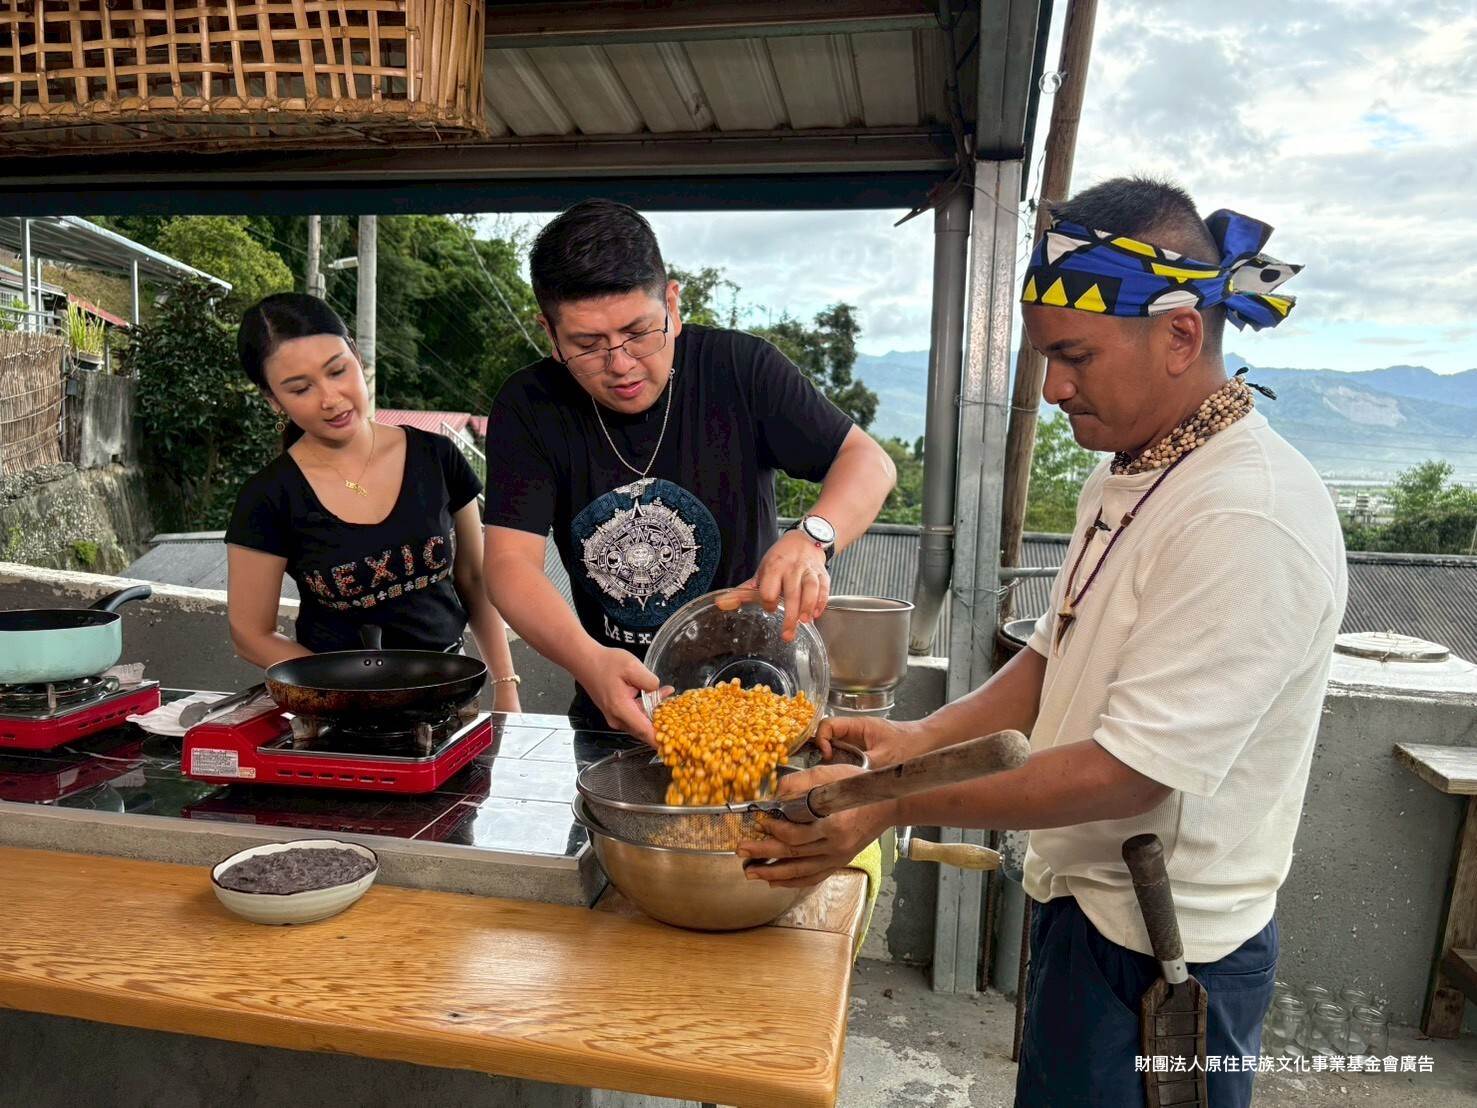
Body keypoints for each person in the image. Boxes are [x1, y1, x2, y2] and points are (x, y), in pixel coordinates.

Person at [739, 177, 1347, 1107]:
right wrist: (917, 743)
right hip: (1081, 903)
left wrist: (888, 807)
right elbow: (1054, 655)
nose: (1053, 385)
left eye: (1075, 354)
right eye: (1045, 356)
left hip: (1165, 953)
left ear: (1181, 334)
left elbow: (1127, 772)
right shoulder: (1134, 471)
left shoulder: (1244, 514)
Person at [482, 200, 896, 739]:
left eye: (639, 332)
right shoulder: (529, 407)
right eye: (588, 345)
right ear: (550, 333)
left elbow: (869, 461)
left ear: (672, 303)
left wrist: (811, 538)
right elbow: (509, 565)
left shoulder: (740, 370)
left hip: (758, 706)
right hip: (615, 709)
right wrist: (590, 662)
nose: (621, 364)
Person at [225, 293, 521, 712]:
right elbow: (249, 632)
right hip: (335, 711)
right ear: (274, 400)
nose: (330, 398)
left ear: (357, 358)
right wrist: (349, 691)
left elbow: (473, 580)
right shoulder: (268, 497)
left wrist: (506, 686)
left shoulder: (437, 456)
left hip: (449, 696)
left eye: (337, 370)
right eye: (300, 388)